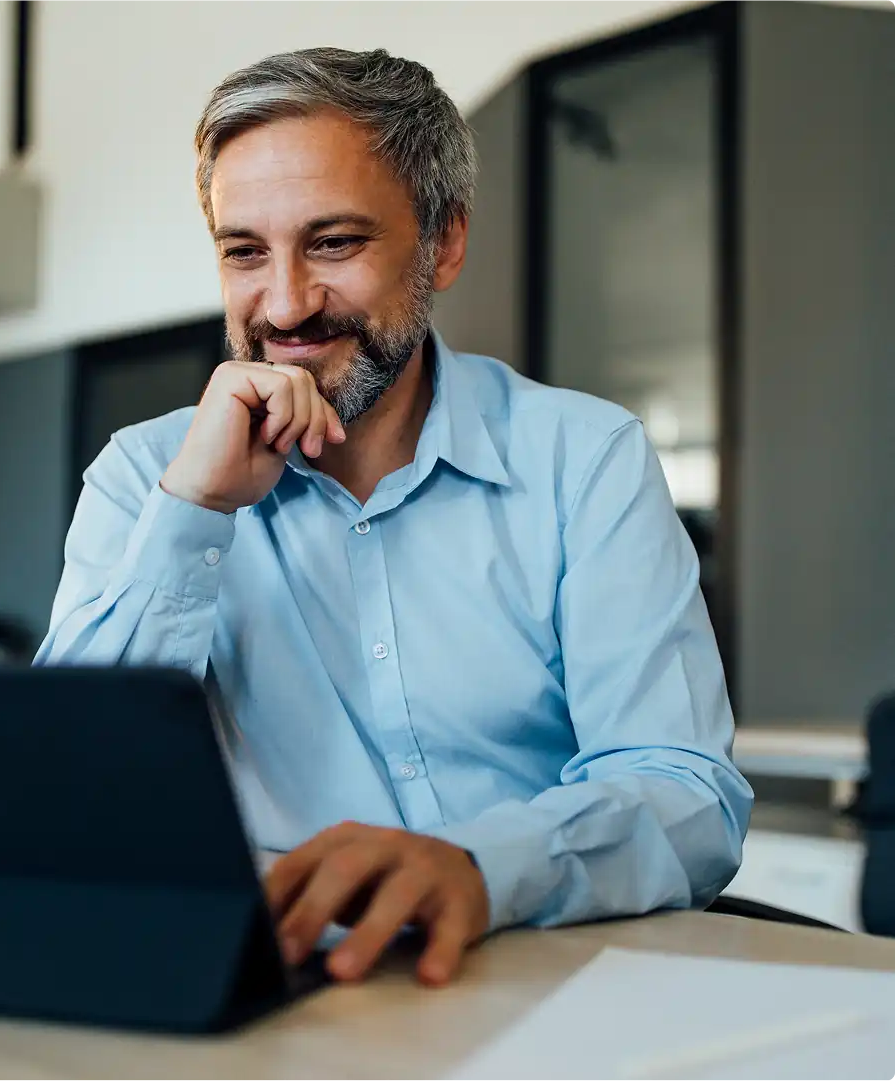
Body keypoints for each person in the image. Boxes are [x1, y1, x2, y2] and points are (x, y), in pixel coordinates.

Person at [37, 47, 753, 988]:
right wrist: (197, 510)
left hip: (536, 972)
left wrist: (479, 866)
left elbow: (686, 790)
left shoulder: (585, 459)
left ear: (442, 244)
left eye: (334, 242)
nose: (286, 302)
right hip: (274, 987)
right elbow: (63, 800)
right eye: (246, 251)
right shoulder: (146, 477)